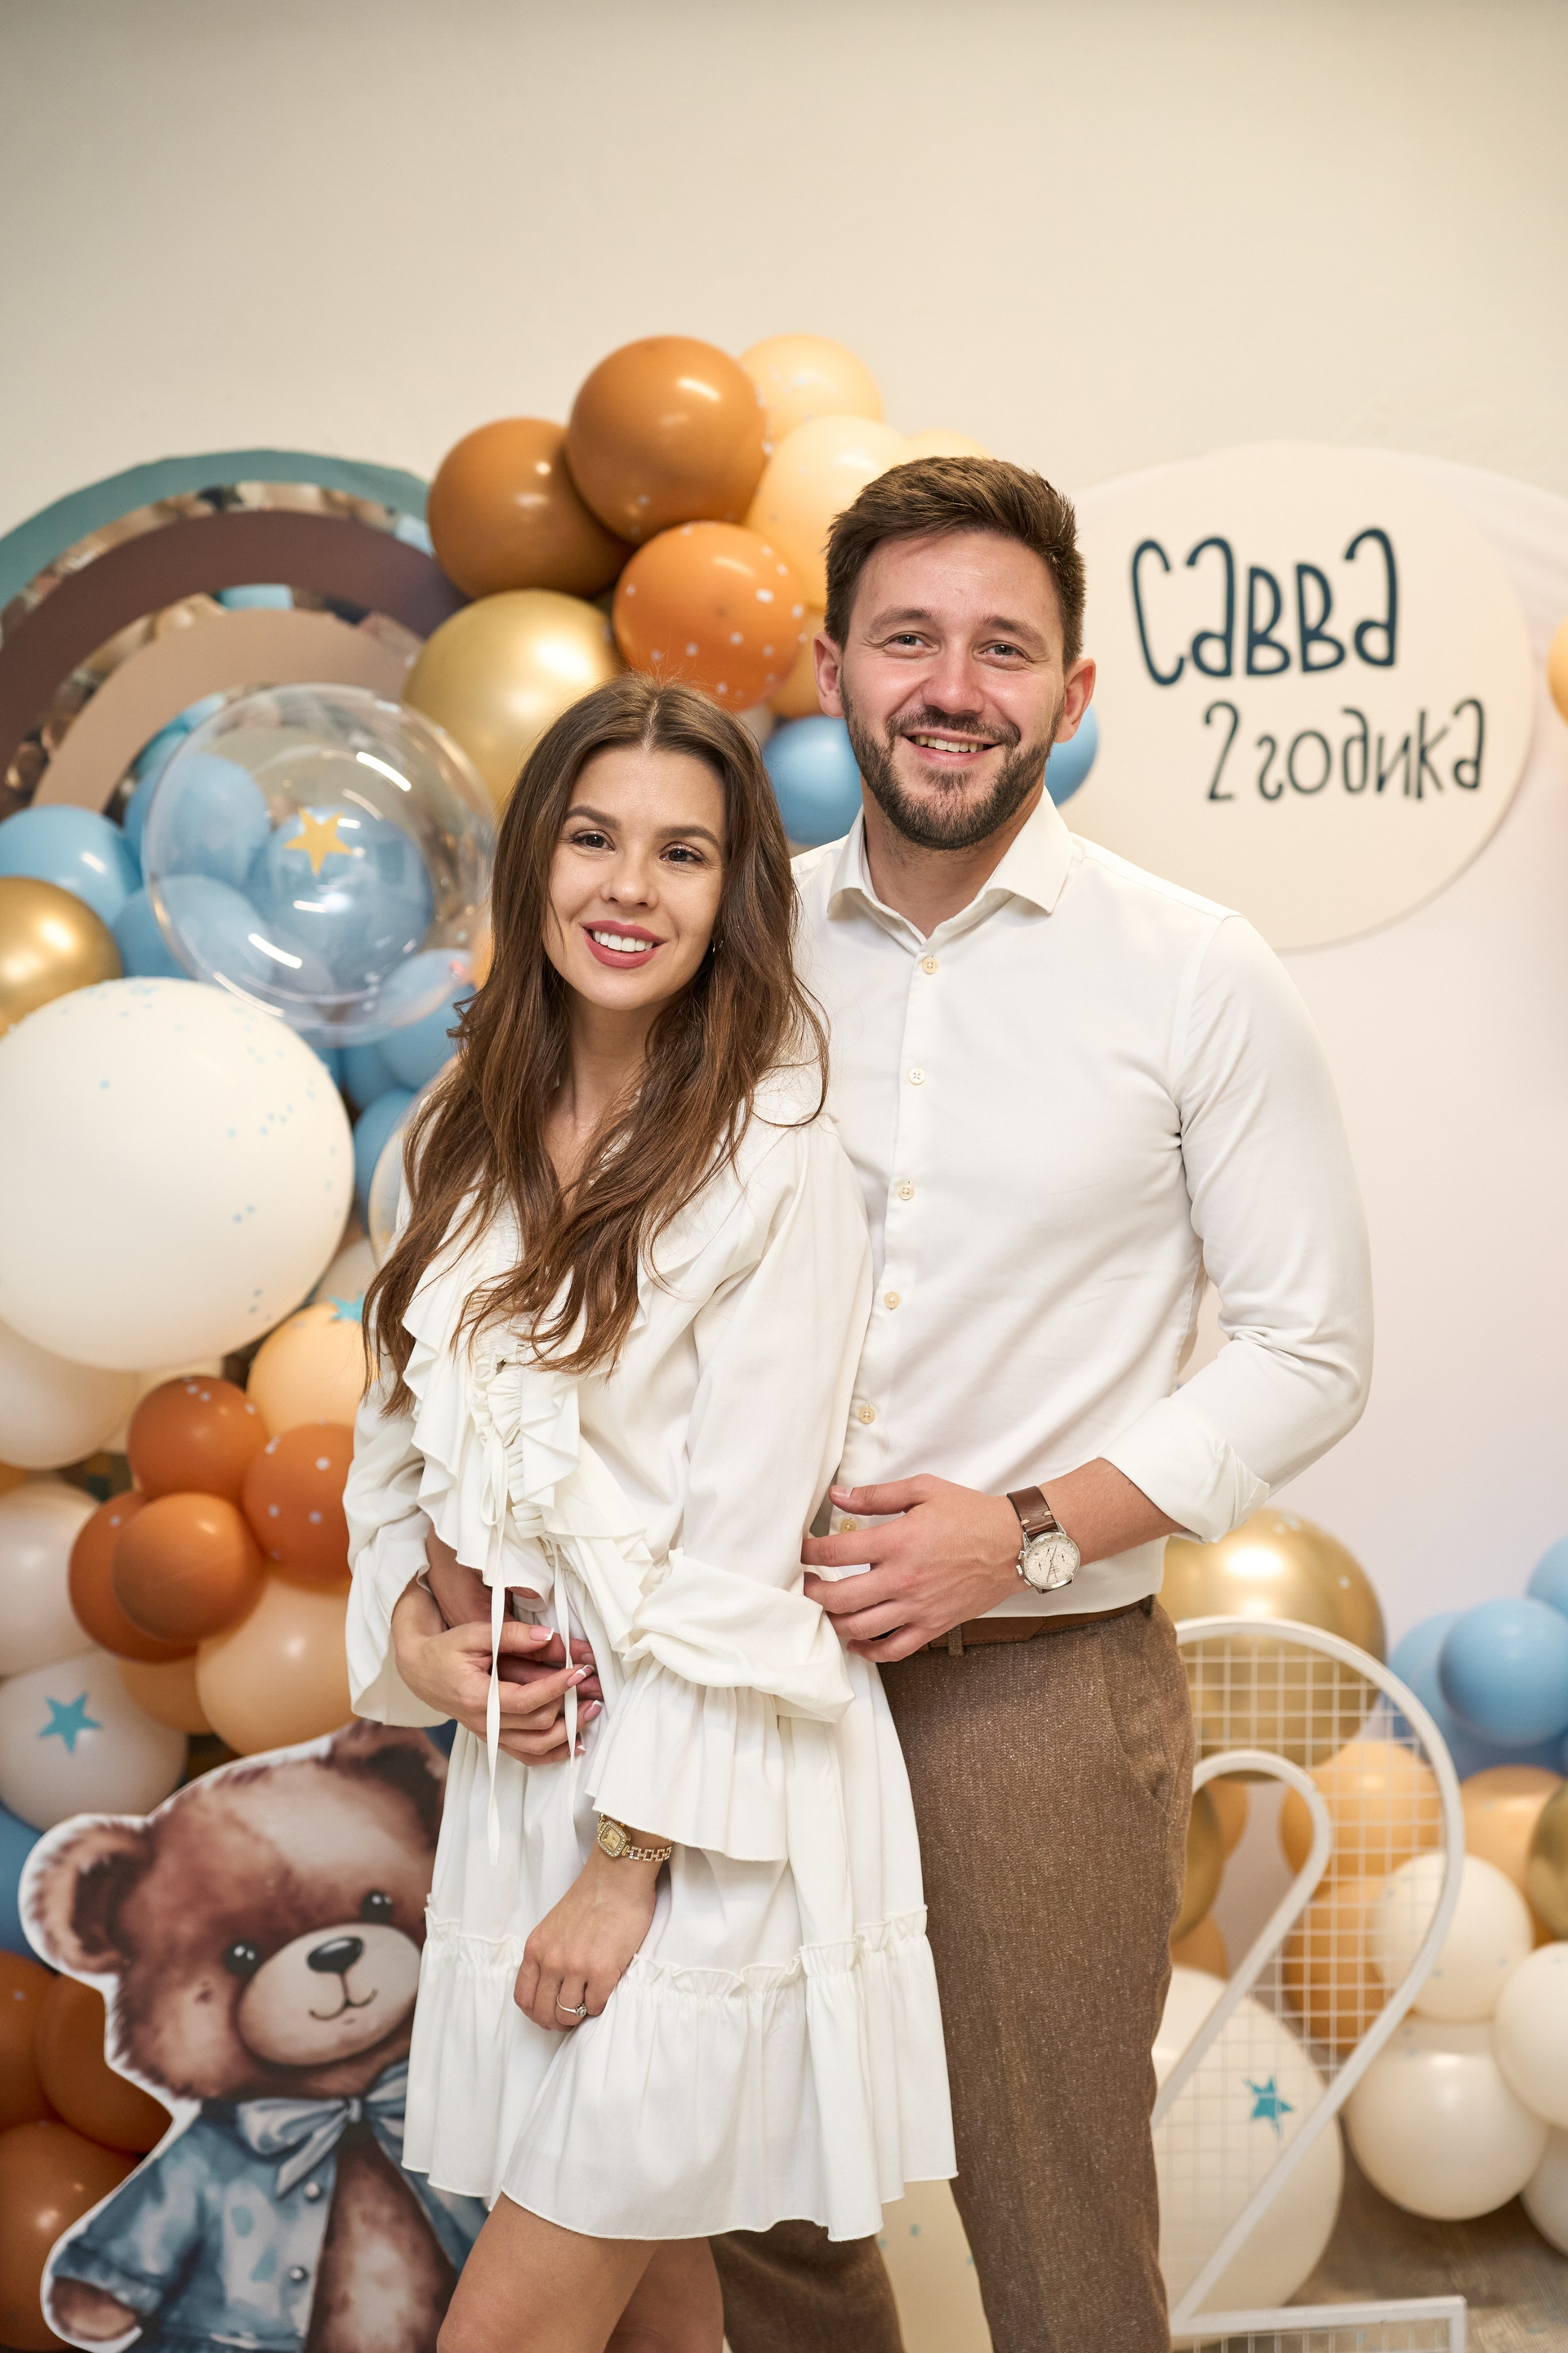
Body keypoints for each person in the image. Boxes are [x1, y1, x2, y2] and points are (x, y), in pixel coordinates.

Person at [483, 459, 1374, 2353]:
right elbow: (569, 1286)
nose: (953, 687)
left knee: (1056, 2232)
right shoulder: (727, 948)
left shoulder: (1197, 974)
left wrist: (1026, 1530)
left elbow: (1311, 1346)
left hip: (1030, 1693)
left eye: (1003, 648)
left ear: (1075, 689)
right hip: (723, 1683)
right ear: (832, 673)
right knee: (750, 2208)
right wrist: (441, 1594)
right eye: (907, 639)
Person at [341, 675, 955, 2353]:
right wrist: (419, 1641)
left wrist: (626, 1872)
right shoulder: (446, 1143)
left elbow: (746, 1549)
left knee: (513, 2326)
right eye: (593, 837)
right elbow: (388, 1461)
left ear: (732, 892)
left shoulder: (775, 1150)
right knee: (661, 2316)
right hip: (524, 1782)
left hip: (704, 1814)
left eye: (682, 853)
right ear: (533, 861)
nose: (630, 887)